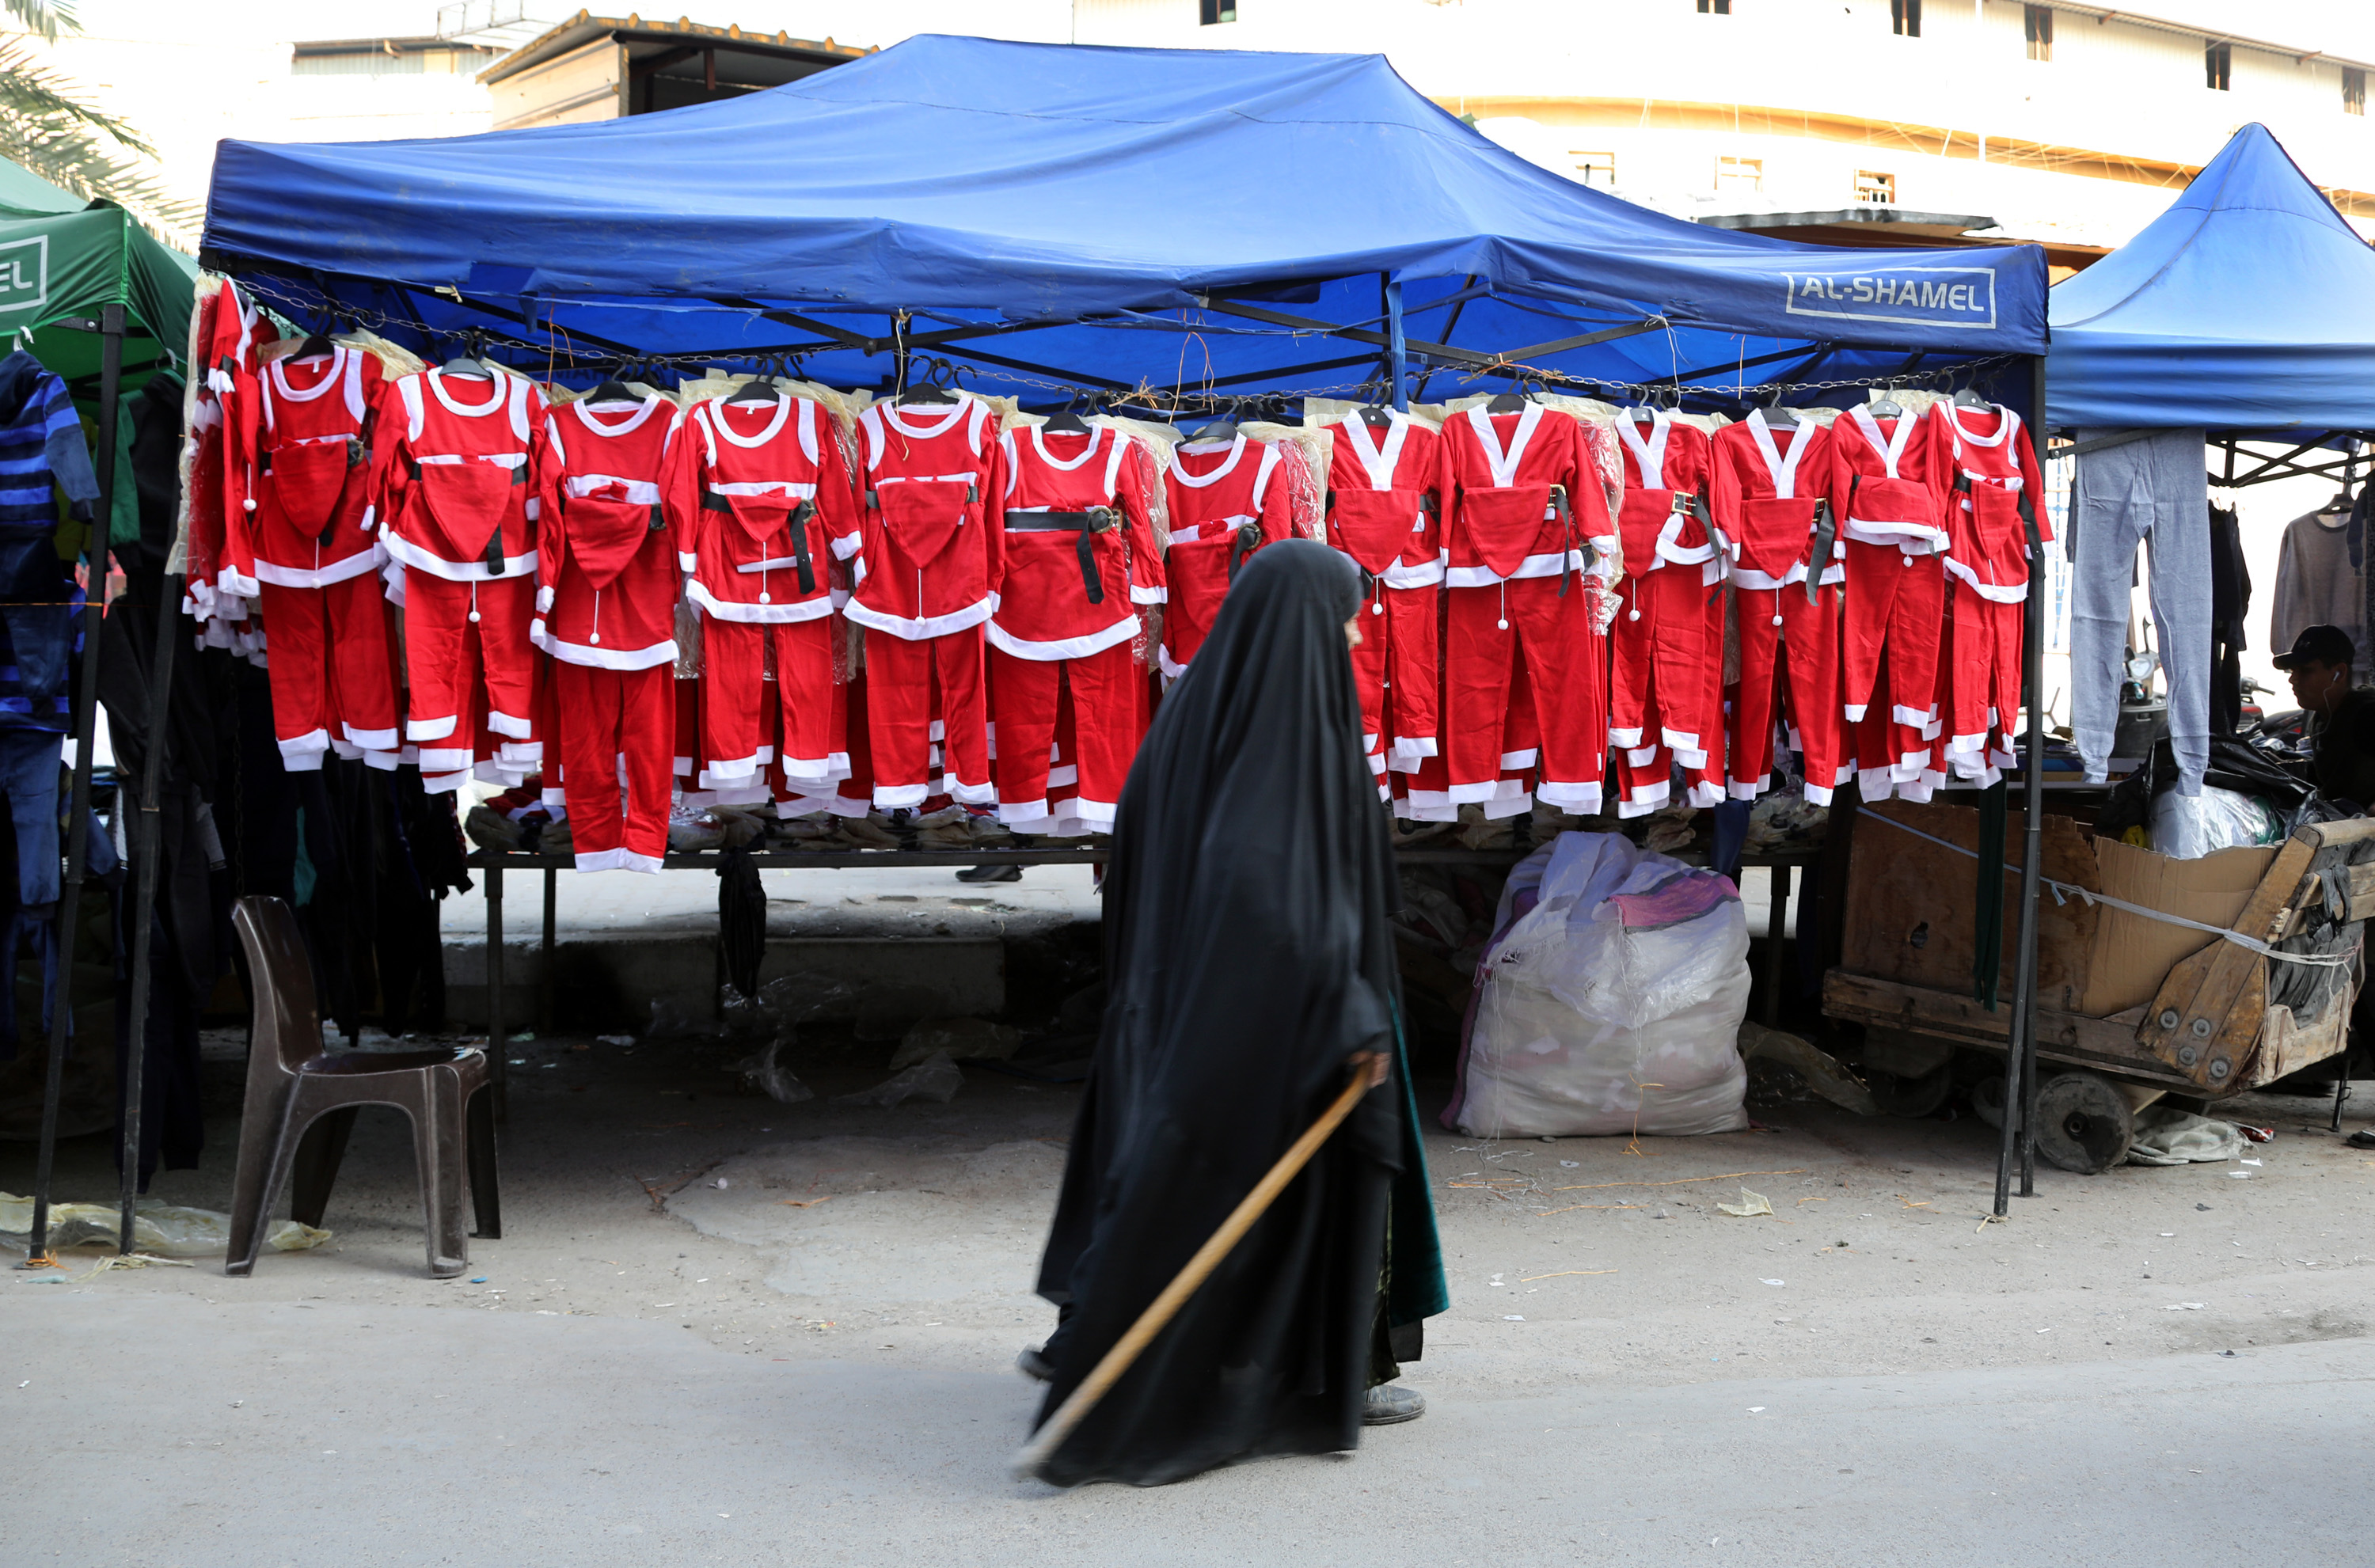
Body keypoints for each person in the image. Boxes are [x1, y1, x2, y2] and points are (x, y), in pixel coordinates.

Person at [1022, 540, 1447, 1488]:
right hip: (1273, 1014)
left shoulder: (1195, 716)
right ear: (1303, 621)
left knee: (1167, 1180)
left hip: (1174, 1010)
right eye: (1342, 613)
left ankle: (1104, 1336)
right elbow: (1266, 887)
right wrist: (1345, 1007)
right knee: (1273, 1191)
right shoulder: (1287, 732)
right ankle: (1308, 1372)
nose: (1351, 631)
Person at [2274, 624, 2375, 810]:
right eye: (2292, 670)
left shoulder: (2367, 714)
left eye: (2305, 670)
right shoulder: (2324, 717)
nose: (2293, 679)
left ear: (2339, 673)